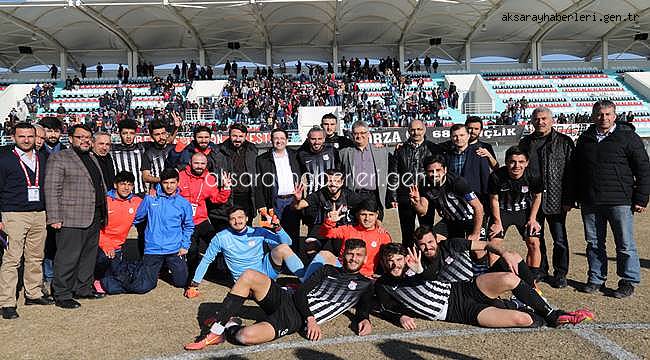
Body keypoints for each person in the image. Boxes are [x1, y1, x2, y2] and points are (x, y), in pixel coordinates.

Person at [183, 239, 374, 350]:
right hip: (290, 300)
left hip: (293, 318)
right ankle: (215, 332)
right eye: (350, 253)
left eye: (358, 255)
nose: (353, 258)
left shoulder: (365, 284)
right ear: (343, 254)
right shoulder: (327, 270)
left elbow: (364, 309)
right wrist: (311, 319)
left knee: (244, 337)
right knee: (249, 275)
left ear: (365, 258)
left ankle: (231, 323)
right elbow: (301, 294)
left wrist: (365, 319)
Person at [375, 243, 593, 330]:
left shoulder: (416, 268)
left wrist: (419, 269)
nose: (395, 264)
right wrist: (399, 317)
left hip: (461, 290)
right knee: (525, 321)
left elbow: (428, 277)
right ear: (384, 264)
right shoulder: (385, 284)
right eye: (390, 261)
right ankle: (518, 306)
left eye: (398, 259)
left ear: (405, 259)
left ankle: (553, 313)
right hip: (458, 312)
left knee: (509, 278)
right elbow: (380, 308)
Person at [573, 100, 650, 298]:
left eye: (608, 114)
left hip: (620, 200)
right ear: (593, 116)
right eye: (599, 114)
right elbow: (576, 171)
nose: (603, 118)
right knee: (594, 242)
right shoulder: (585, 139)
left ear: (615, 116)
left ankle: (628, 280)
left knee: (624, 243)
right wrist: (576, 196)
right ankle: (596, 278)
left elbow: (643, 168)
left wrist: (641, 198)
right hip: (591, 201)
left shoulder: (628, 137)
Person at [101, 169, 195, 294]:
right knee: (143, 287)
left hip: (174, 249)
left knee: (181, 283)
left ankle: (161, 269)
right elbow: (137, 217)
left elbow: (188, 226)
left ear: (178, 183)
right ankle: (110, 280)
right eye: (165, 182)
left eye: (172, 182)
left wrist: (184, 245)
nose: (169, 186)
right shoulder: (150, 199)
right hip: (153, 249)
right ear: (161, 183)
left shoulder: (183, 203)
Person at [45, 124, 107, 309]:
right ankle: (62, 293)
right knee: (67, 256)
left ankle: (83, 288)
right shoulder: (60, 158)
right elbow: (51, 189)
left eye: (88, 137)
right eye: (81, 137)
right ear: (70, 139)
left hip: (93, 215)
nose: (86, 140)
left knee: (88, 256)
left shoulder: (91, 157)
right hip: (70, 216)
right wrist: (54, 217)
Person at [183, 206, 306, 299]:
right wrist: (194, 285)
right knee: (259, 294)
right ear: (229, 221)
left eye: (240, 217)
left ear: (247, 218)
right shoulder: (221, 237)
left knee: (282, 248)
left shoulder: (258, 232)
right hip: (245, 281)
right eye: (233, 219)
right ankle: (281, 290)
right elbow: (206, 259)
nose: (237, 221)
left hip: (266, 273)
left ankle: (306, 282)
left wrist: (278, 228)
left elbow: (288, 243)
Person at [519, 107, 575, 288]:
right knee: (536, 238)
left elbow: (571, 173)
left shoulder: (565, 142)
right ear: (532, 121)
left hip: (556, 199)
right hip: (531, 200)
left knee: (559, 239)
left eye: (544, 118)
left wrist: (568, 199)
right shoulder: (525, 143)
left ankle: (560, 273)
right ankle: (541, 270)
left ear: (552, 120)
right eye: (536, 119)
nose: (540, 122)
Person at [0, 123, 52, 320]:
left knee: (35, 257)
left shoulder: (42, 157)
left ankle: (33, 293)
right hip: (13, 214)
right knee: (12, 259)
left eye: (30, 136)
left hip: (39, 213)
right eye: (22, 136)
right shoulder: (4, 159)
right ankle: (6, 302)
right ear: (13, 137)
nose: (27, 140)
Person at [412, 225, 536, 287]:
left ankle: (534, 289)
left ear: (436, 239)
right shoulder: (420, 263)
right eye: (422, 245)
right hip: (469, 291)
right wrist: (419, 271)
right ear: (418, 247)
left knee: (513, 256)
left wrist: (504, 254)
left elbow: (486, 244)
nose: (428, 247)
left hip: (482, 276)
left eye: (430, 242)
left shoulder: (452, 244)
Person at [487, 146, 543, 278]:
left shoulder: (533, 175)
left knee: (534, 242)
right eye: (512, 161)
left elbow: (537, 196)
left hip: (524, 212)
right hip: (502, 212)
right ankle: (495, 279)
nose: (516, 166)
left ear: (527, 163)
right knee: (494, 245)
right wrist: (497, 222)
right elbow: (494, 200)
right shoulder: (496, 176)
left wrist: (533, 219)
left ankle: (532, 279)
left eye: (521, 162)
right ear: (506, 162)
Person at [388, 119, 444, 248]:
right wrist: (393, 196)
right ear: (408, 131)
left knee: (427, 230)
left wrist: (437, 196)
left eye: (419, 129)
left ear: (424, 130)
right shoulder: (401, 149)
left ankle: (427, 257)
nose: (416, 132)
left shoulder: (433, 148)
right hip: (405, 195)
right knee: (407, 231)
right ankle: (407, 257)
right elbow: (394, 174)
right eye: (413, 130)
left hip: (427, 195)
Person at [178, 152, 231, 275]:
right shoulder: (180, 176)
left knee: (217, 243)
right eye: (196, 163)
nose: (199, 166)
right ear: (190, 163)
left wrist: (226, 188)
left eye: (202, 163)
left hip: (201, 220)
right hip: (184, 222)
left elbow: (217, 199)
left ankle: (216, 269)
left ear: (206, 164)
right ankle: (191, 274)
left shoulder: (210, 178)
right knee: (192, 250)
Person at [311, 200, 391, 279]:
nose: (367, 218)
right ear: (357, 215)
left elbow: (389, 259)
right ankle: (305, 282)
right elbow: (325, 234)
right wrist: (330, 222)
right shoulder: (348, 229)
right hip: (342, 270)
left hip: (365, 276)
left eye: (371, 215)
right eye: (363, 214)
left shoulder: (383, 236)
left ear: (377, 215)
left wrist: (383, 277)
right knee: (324, 254)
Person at [93, 171, 143, 294]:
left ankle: (105, 279)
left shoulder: (137, 202)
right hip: (100, 245)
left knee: (121, 278)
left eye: (130, 184)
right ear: (115, 185)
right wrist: (106, 245)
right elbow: (95, 227)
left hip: (118, 249)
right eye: (122, 184)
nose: (126, 188)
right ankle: (94, 277)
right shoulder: (105, 200)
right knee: (103, 259)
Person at [255, 129, 302, 248]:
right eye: (276, 138)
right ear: (271, 140)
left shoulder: (296, 156)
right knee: (272, 234)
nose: (279, 141)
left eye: (282, 138)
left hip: (292, 200)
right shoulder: (262, 159)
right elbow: (258, 184)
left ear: (287, 140)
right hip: (273, 202)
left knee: (292, 234)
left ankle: (293, 262)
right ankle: (274, 263)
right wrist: (261, 204)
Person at [339, 121, 389, 216]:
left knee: (373, 227)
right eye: (356, 133)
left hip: (374, 195)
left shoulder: (381, 151)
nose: (359, 136)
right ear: (352, 135)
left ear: (368, 134)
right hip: (354, 195)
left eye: (362, 133)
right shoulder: (344, 153)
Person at [443, 124, 491, 208]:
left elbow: (485, 178)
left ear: (468, 136)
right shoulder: (447, 156)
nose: (458, 138)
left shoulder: (479, 153)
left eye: (462, 135)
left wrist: (485, 201)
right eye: (455, 136)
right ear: (451, 137)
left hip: (475, 199)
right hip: (454, 200)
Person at [296, 126, 339, 196]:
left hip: (330, 195)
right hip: (311, 195)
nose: (316, 142)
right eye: (313, 139)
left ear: (324, 139)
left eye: (320, 139)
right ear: (308, 139)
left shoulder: (332, 151)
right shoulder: (301, 154)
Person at [111, 119, 147, 195]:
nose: (128, 136)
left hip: (139, 192)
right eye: (125, 133)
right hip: (120, 194)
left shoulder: (142, 148)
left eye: (131, 133)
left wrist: (175, 128)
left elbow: (163, 142)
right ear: (119, 134)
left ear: (135, 134)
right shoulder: (111, 150)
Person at [141, 120, 173, 191]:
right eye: (157, 134)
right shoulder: (148, 153)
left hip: (175, 192)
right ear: (151, 136)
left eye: (163, 133)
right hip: (157, 192)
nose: (161, 137)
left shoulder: (173, 149)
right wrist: (163, 179)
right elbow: (145, 177)